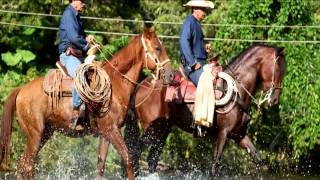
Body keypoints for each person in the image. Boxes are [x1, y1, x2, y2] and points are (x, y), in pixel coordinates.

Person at [58, 0, 93, 130]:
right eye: (82, 1)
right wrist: (87, 44)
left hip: (78, 56)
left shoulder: (76, 16)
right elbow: (73, 38)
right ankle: (76, 112)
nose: (84, 4)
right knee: (80, 75)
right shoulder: (69, 14)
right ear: (74, 1)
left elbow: (80, 37)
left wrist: (87, 40)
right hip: (69, 56)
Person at [179, 0, 214, 86]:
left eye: (205, 10)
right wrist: (193, 63)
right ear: (195, 9)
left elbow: (196, 47)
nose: (204, 13)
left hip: (201, 64)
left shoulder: (196, 24)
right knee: (208, 85)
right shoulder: (189, 22)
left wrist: (205, 50)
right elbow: (183, 42)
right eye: (203, 9)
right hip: (192, 67)